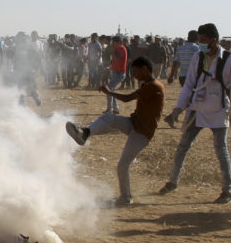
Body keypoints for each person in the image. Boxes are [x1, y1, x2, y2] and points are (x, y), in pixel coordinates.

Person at [160, 23, 231, 204]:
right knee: (183, 146)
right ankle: (172, 181)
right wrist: (178, 109)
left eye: (204, 40)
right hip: (197, 110)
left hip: (219, 111)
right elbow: (189, 85)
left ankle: (227, 191)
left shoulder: (230, 60)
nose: (201, 43)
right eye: (200, 40)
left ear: (214, 40)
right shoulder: (198, 57)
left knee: (221, 151)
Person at [65, 56, 165, 206]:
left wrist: (109, 92)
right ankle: (84, 133)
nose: (133, 75)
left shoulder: (154, 86)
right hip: (133, 123)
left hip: (142, 133)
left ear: (145, 69)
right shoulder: (147, 83)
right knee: (109, 118)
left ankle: (126, 197)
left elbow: (127, 99)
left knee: (122, 165)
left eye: (135, 71)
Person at [105, 35, 128, 113]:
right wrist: (110, 67)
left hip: (120, 73)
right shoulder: (116, 49)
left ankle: (110, 108)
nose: (112, 44)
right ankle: (115, 108)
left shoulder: (122, 49)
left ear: (118, 42)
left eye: (113, 42)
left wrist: (113, 52)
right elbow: (115, 62)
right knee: (111, 90)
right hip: (115, 72)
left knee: (109, 89)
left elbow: (118, 59)